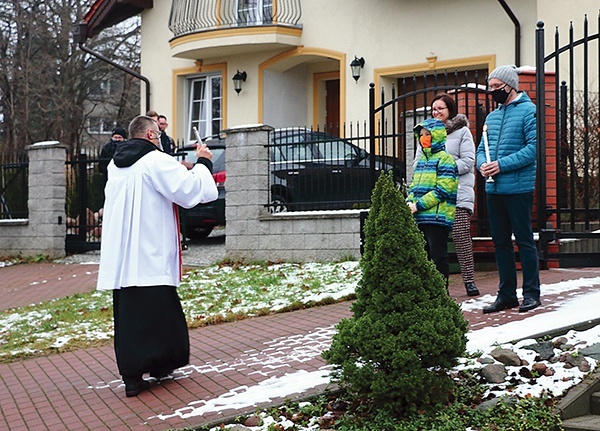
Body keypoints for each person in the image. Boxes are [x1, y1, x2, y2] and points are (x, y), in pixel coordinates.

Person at [96, 115, 218, 397]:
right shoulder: (154, 160)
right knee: (160, 312)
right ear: (151, 135)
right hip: (150, 251)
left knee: (130, 316)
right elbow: (187, 191)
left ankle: (133, 376)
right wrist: (204, 163)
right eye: (159, 134)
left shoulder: (116, 165)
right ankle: (163, 364)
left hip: (126, 258)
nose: (161, 139)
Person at [476, 65, 541, 314]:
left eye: (496, 87)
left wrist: (500, 165)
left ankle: (532, 294)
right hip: (494, 189)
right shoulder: (491, 117)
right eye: (490, 87)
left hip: (518, 188)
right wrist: (482, 165)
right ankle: (506, 295)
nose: (493, 91)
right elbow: (482, 148)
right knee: (500, 242)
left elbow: (533, 149)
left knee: (524, 241)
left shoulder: (529, 111)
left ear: (510, 86)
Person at [414, 94, 480, 297]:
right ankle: (433, 284)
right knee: (434, 244)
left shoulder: (462, 132)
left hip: (457, 193)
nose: (437, 112)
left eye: (440, 108)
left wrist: (444, 170)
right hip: (432, 197)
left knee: (460, 236)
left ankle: (469, 280)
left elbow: (469, 161)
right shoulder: (427, 133)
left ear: (450, 109)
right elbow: (417, 162)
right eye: (434, 109)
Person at [407, 118, 458, 289]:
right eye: (421, 135)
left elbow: (442, 191)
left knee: (438, 258)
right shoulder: (422, 161)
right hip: (420, 217)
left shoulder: (445, 160)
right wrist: (409, 202)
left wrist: (417, 205)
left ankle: (441, 293)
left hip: (437, 217)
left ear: (437, 135)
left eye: (427, 134)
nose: (423, 138)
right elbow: (413, 186)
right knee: (424, 258)